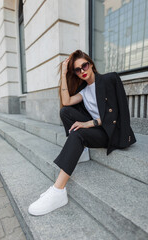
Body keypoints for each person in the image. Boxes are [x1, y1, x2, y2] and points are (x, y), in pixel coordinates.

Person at [28, 49, 136, 216]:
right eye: (77, 70)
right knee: (65, 111)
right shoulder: (84, 90)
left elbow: (117, 115)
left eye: (84, 66)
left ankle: (58, 191)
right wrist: (64, 74)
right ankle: (82, 152)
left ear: (91, 64)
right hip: (97, 130)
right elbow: (66, 101)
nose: (82, 71)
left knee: (77, 133)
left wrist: (89, 123)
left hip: (111, 131)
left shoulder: (109, 80)